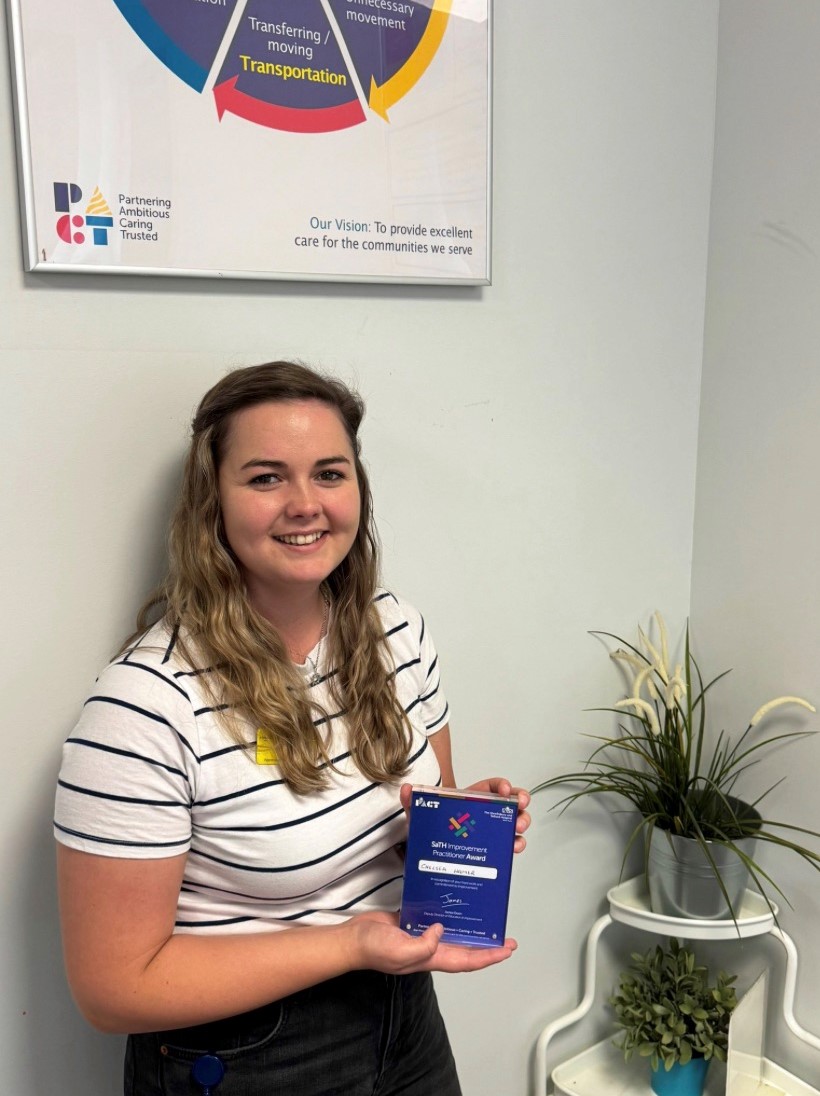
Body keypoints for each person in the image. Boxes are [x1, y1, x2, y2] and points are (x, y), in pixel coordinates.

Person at [55, 360, 530, 1096]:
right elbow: (113, 989)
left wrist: (460, 826)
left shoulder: (395, 632)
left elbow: (401, 826)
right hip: (245, 1055)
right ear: (212, 501)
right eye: (266, 477)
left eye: (330, 474)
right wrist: (349, 943)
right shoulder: (145, 706)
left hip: (403, 1017)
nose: (305, 504)